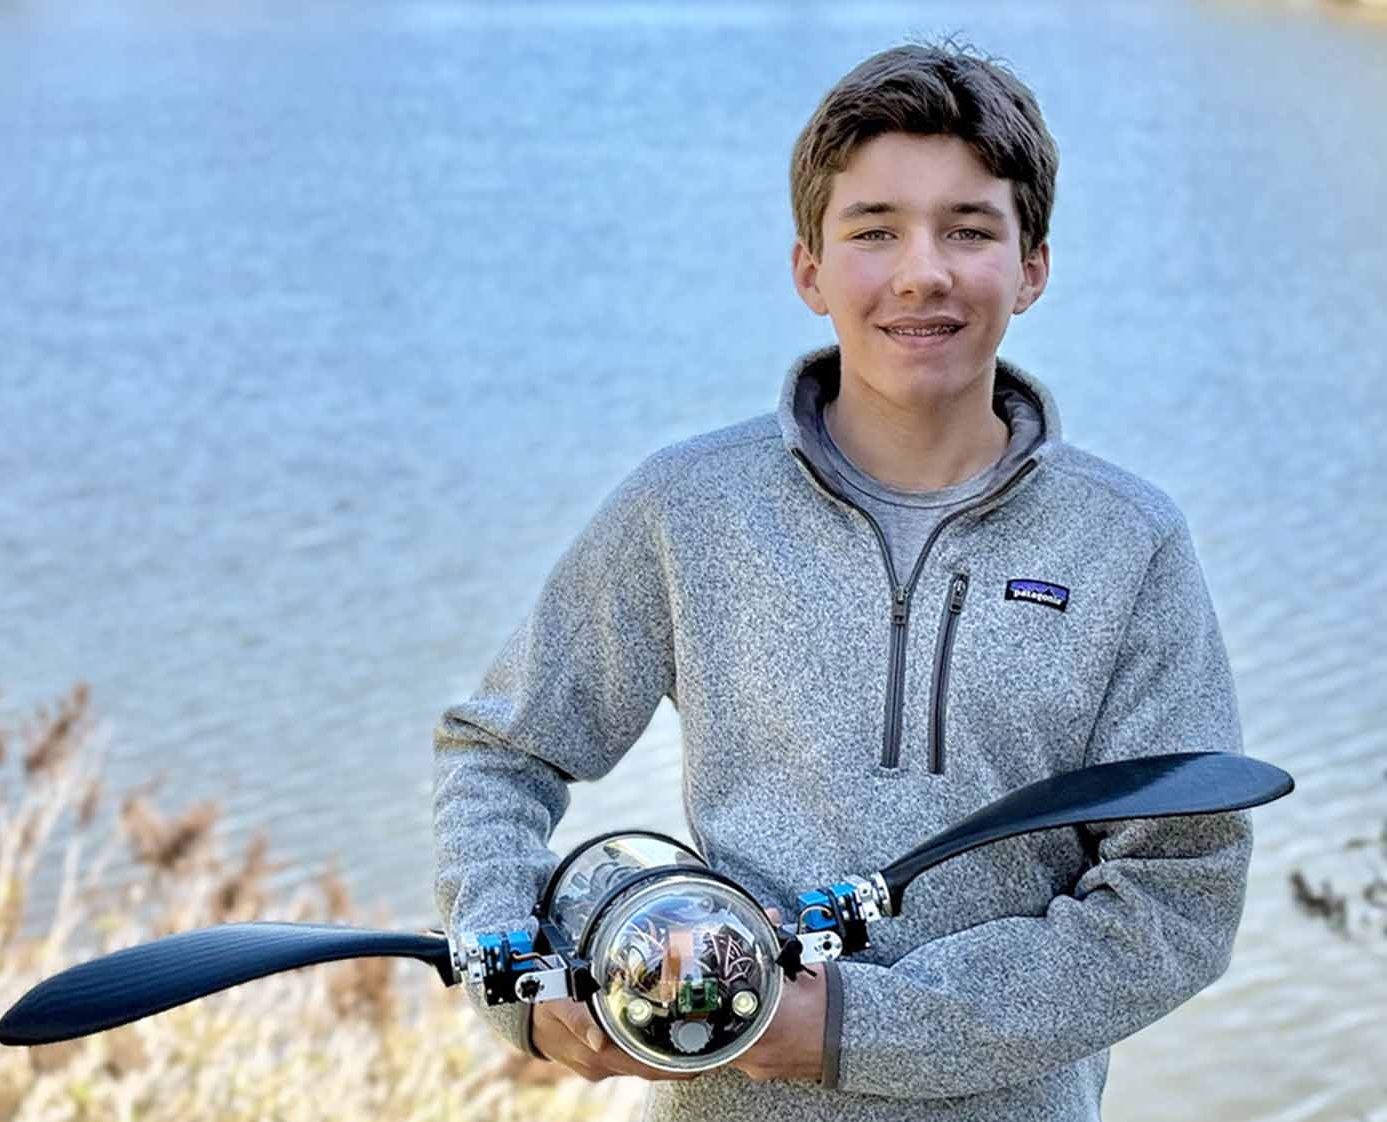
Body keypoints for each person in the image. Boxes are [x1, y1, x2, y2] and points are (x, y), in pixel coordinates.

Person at [432, 35, 1253, 1122]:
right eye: (875, 231)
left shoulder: (1129, 543)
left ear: (1034, 266)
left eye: (970, 230)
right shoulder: (688, 508)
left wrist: (862, 1029)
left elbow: (1175, 899)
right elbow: (498, 755)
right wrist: (521, 978)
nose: (923, 271)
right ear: (810, 269)